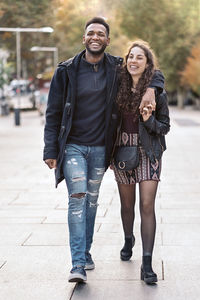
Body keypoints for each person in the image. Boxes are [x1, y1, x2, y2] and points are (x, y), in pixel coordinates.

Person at [43, 18, 165, 283]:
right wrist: (50, 150)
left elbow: (151, 69)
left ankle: (85, 252)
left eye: (101, 34)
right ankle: (77, 263)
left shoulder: (116, 67)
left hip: (101, 148)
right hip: (73, 146)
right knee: (77, 197)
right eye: (90, 33)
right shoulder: (66, 70)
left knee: (92, 201)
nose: (95, 37)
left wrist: (152, 90)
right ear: (83, 38)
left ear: (108, 41)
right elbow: (53, 113)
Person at [112, 40, 170, 284]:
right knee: (128, 206)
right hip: (123, 152)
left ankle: (147, 263)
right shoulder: (116, 87)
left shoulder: (157, 92)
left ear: (148, 65)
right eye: (131, 57)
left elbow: (164, 127)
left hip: (149, 151)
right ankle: (128, 239)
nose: (134, 61)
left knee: (147, 205)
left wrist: (148, 120)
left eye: (140, 58)